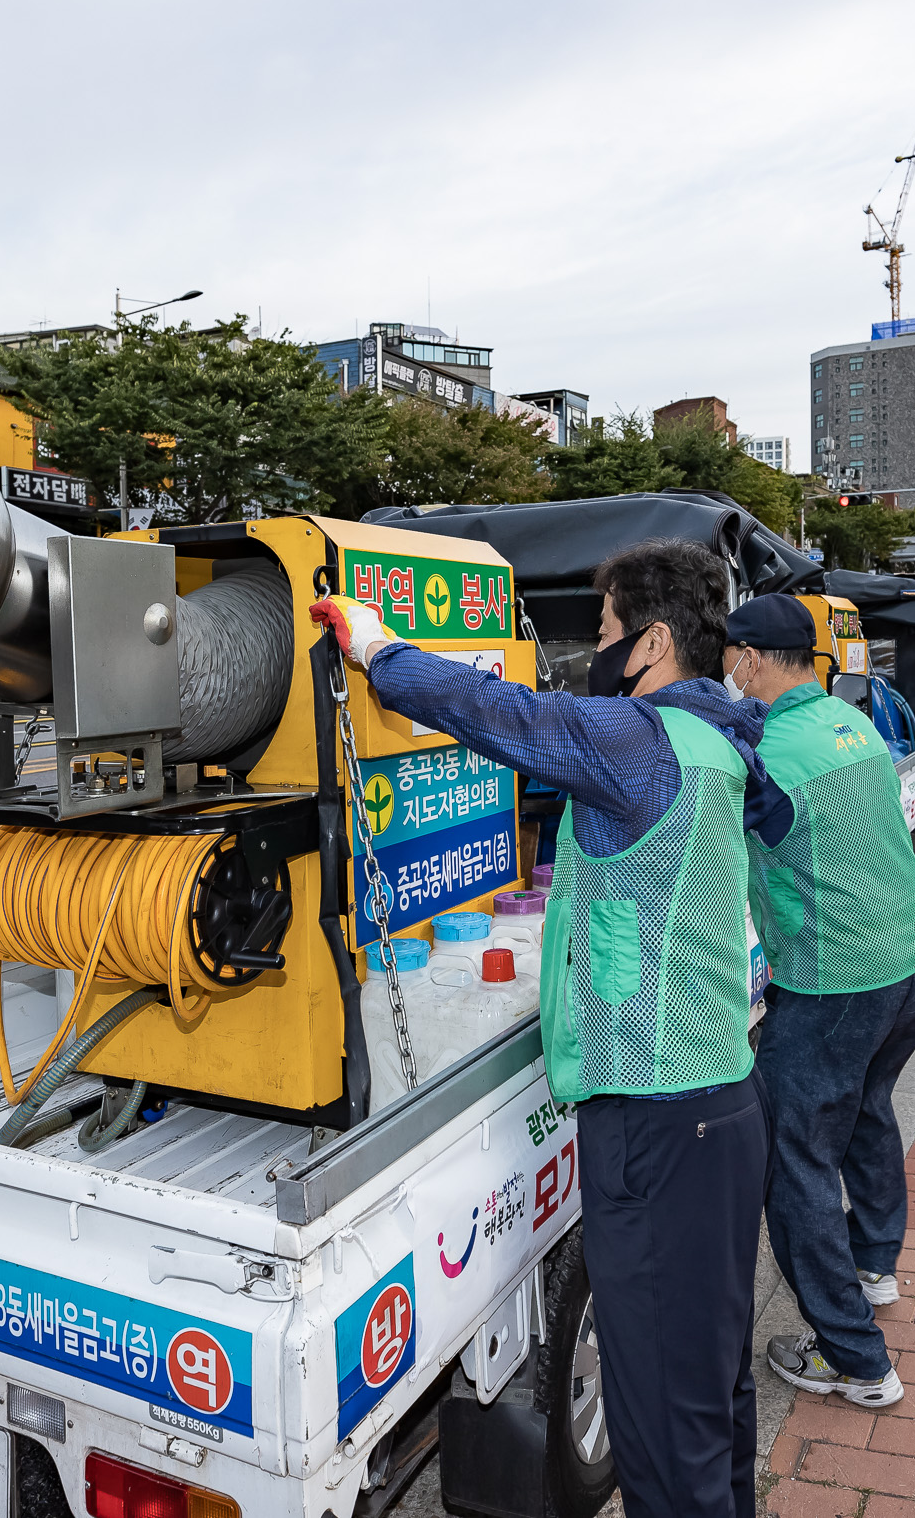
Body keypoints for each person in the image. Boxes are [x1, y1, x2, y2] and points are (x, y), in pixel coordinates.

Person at [312, 539, 788, 1518]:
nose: (598, 648)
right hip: (721, 1104)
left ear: (652, 641)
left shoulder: (634, 738)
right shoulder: (721, 737)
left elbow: (504, 712)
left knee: (659, 1417)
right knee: (710, 1392)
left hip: (655, 1124)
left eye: (608, 630)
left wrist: (377, 647)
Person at [722, 594, 915, 1411]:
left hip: (837, 983)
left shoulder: (768, 751)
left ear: (748, 658)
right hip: (914, 962)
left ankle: (855, 1358)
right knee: (867, 1108)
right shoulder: (850, 725)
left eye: (728, 656)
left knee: (796, 1159)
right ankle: (875, 1262)